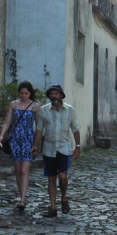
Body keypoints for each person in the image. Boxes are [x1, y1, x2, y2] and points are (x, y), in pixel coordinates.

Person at [34, 84, 81, 217]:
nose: (53, 96)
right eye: (51, 94)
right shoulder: (44, 110)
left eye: (56, 93)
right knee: (51, 178)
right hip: (49, 148)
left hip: (64, 147)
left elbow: (76, 129)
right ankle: (53, 207)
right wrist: (36, 145)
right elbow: (39, 129)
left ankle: (64, 198)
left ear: (61, 95)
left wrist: (77, 146)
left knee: (63, 176)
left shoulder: (70, 110)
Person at [0, 81, 41, 211]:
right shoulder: (13, 104)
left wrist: (37, 143)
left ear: (30, 93)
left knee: (24, 170)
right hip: (15, 138)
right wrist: (1, 135)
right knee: (17, 170)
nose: (23, 95)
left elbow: (39, 126)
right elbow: (7, 122)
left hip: (28, 139)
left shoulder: (35, 106)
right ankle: (21, 195)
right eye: (21, 93)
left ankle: (23, 199)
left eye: (26, 93)